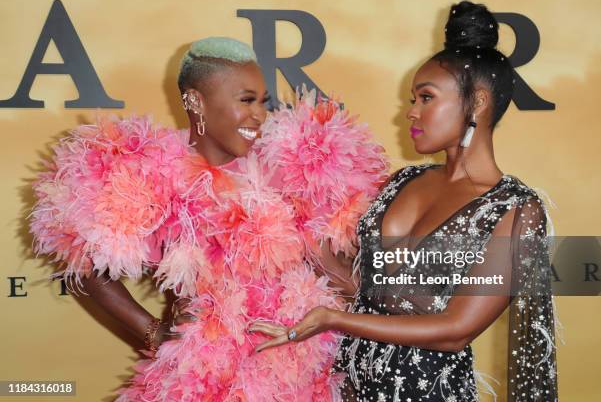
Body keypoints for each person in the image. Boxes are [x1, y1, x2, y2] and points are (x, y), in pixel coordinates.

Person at [29, 37, 388, 400]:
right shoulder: (154, 174)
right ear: (196, 101)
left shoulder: (289, 165)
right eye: (245, 100)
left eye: (263, 102)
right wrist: (152, 331)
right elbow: (80, 258)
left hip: (301, 371)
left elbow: (344, 265)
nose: (259, 115)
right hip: (206, 377)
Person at [250, 1, 558, 402]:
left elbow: (455, 330)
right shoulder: (404, 180)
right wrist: (299, 238)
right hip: (348, 386)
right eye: (413, 99)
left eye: (425, 98)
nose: (410, 113)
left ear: (478, 102)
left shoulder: (514, 208)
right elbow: (373, 291)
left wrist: (332, 320)